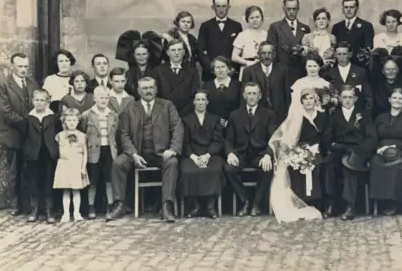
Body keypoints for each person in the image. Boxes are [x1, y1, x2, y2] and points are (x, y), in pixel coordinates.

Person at [106, 77, 183, 222]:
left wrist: (172, 149)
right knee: (118, 163)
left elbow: (177, 127)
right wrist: (133, 153)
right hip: (137, 152)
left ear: (156, 89)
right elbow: (124, 133)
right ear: (138, 91)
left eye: (151, 87)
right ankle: (119, 204)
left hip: (161, 153)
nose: (148, 91)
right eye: (145, 88)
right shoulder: (130, 107)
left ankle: (167, 206)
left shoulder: (167, 105)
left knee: (172, 163)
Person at [268, 88, 328, 223]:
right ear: (301, 101)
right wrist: (300, 150)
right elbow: (291, 138)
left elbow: (327, 135)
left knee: (320, 165)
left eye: (311, 98)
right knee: (296, 165)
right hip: (301, 148)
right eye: (305, 99)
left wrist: (318, 147)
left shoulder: (323, 116)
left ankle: (319, 202)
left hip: (319, 149)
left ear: (316, 100)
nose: (308, 101)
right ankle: (301, 201)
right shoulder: (297, 116)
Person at [321, 85, 377, 221]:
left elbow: (371, 138)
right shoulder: (334, 115)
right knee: (327, 164)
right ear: (340, 98)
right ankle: (331, 204)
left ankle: (350, 205)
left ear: (356, 98)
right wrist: (330, 146)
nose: (347, 100)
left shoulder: (364, 115)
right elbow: (327, 136)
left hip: (357, 150)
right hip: (339, 149)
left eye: (350, 97)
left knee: (349, 166)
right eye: (344, 97)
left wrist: (360, 152)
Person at [224, 83, 278, 217]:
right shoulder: (234, 115)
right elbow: (228, 139)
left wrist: (267, 155)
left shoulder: (268, 114)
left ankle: (256, 204)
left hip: (259, 154)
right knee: (229, 168)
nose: (251, 97)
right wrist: (230, 153)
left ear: (260, 96)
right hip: (241, 154)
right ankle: (246, 200)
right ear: (243, 95)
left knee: (267, 168)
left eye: (254, 94)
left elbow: (273, 138)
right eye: (249, 93)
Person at [0, 52, 38, 216]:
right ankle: (15, 204)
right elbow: (5, 111)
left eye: (25, 66)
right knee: (14, 170)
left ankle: (28, 203)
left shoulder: (32, 83)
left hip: (29, 134)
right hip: (13, 133)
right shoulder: (4, 85)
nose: (23, 70)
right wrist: (25, 122)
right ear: (12, 66)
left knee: (28, 170)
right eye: (20, 66)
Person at [370, 88, 402, 215]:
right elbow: (373, 137)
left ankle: (393, 202)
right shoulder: (381, 117)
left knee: (396, 167)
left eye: (400, 98)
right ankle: (379, 201)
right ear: (389, 100)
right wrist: (377, 149)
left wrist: (396, 146)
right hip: (382, 151)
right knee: (376, 163)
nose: (397, 101)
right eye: (395, 98)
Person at [179, 91, 225, 219]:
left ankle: (211, 206)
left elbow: (218, 140)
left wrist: (207, 155)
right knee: (188, 171)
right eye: (197, 100)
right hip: (191, 155)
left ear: (207, 102)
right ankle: (195, 205)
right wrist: (193, 157)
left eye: (203, 100)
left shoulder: (215, 119)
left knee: (215, 170)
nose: (200, 102)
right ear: (193, 102)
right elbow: (184, 142)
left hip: (210, 154)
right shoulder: (186, 119)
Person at [81, 87, 118, 220]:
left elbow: (116, 133)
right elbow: (83, 131)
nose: (103, 100)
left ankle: (110, 206)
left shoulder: (113, 114)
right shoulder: (87, 115)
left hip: (109, 150)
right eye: (101, 97)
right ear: (94, 98)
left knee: (109, 180)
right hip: (93, 152)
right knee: (93, 181)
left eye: (106, 98)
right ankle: (91, 206)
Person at [25, 89, 59, 224]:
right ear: (33, 101)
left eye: (42, 100)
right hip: (34, 154)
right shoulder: (28, 117)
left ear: (47, 102)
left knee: (48, 181)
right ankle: (34, 208)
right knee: (34, 181)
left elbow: (57, 132)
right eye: (37, 100)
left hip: (48, 154)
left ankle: (50, 209)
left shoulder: (53, 117)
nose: (39, 103)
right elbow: (25, 135)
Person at [53, 108, 89, 223]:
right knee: (66, 191)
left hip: (77, 165)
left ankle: (77, 212)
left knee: (76, 191)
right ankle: (66, 213)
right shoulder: (60, 136)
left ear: (78, 121)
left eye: (74, 120)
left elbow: (85, 153)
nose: (72, 122)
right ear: (64, 122)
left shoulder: (82, 136)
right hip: (65, 164)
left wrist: (83, 167)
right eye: (69, 120)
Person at [241, 41, 291, 123]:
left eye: (269, 53)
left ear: (274, 54)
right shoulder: (249, 71)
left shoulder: (283, 70)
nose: (266, 56)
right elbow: (243, 97)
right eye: (263, 53)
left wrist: (288, 115)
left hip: (279, 116)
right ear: (258, 54)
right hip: (257, 117)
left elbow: (287, 95)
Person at [197, 0, 243, 82]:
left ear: (229, 7)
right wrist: (212, 69)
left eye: (224, 6)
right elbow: (200, 50)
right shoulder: (206, 26)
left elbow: (240, 50)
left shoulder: (236, 26)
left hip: (231, 74)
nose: (221, 10)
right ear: (213, 7)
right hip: (211, 75)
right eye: (218, 6)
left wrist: (232, 69)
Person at [267, 0, 311, 86]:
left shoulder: (305, 28)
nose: (291, 12)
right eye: (288, 9)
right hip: (282, 73)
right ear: (283, 9)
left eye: (294, 9)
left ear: (298, 9)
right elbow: (271, 51)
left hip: (300, 72)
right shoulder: (275, 27)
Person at [152, 38, 200, 117]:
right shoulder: (158, 71)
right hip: (164, 114)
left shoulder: (192, 71)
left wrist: (183, 114)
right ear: (168, 52)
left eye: (179, 50)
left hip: (185, 115)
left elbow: (194, 95)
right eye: (173, 50)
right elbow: (155, 95)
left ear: (184, 52)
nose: (177, 53)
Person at [324, 42, 372, 112]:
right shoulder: (329, 73)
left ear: (350, 54)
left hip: (357, 114)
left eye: (344, 54)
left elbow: (368, 96)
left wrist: (366, 114)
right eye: (339, 54)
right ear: (335, 55)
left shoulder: (360, 72)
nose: (342, 57)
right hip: (336, 116)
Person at [115, 30, 164, 99]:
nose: (141, 57)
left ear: (148, 55)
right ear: (134, 55)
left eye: (144, 54)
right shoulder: (127, 75)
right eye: (138, 54)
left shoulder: (157, 73)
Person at [331, 0, 374, 66]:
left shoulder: (366, 26)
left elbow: (368, 49)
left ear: (357, 9)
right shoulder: (336, 27)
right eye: (346, 7)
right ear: (342, 9)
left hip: (359, 67)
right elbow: (334, 49)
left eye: (351, 7)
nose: (348, 10)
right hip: (340, 66)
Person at [231, 6, 268, 80]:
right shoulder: (242, 35)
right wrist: (248, 63)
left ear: (262, 19)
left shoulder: (267, 35)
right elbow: (234, 57)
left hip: (264, 70)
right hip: (247, 69)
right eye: (251, 18)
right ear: (247, 20)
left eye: (257, 17)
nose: (255, 20)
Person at [203, 56, 241, 124]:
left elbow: (241, 107)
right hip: (212, 125)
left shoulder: (238, 86)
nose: (220, 70)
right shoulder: (207, 86)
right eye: (217, 67)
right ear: (213, 70)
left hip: (233, 125)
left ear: (229, 69)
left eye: (223, 66)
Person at [42, 49, 76, 114]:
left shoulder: (75, 79)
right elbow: (44, 100)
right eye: (61, 61)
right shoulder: (50, 80)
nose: (64, 64)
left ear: (70, 62)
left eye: (66, 61)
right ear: (56, 63)